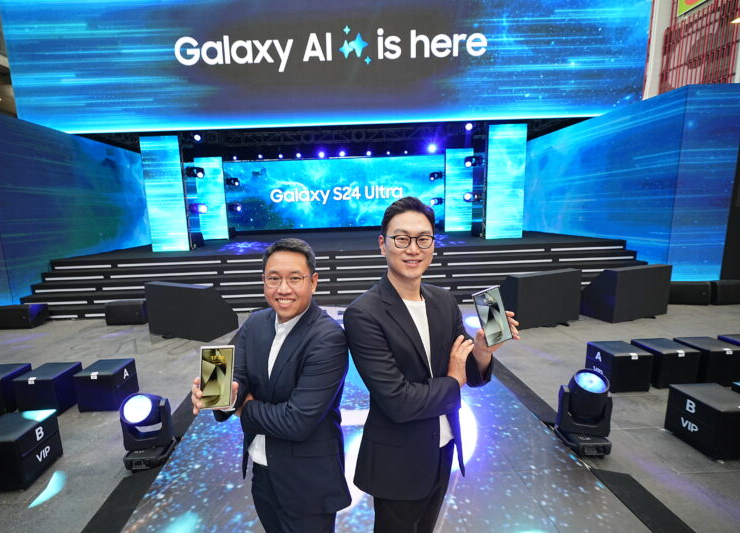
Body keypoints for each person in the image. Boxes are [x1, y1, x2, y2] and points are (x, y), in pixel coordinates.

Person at [343, 197, 520, 533]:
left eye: (423, 239)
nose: (413, 249)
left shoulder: (443, 300)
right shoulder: (364, 313)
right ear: (382, 244)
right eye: (401, 239)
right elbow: (397, 400)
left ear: (433, 245)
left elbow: (468, 372)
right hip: (398, 460)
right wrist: (452, 381)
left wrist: (482, 351)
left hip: (443, 447)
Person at [190, 238, 351, 533]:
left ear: (313, 282)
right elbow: (239, 378)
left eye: (295, 278)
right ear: (264, 281)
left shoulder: (328, 338)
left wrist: (244, 408)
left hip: (308, 483)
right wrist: (221, 395)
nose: (283, 289)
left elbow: (296, 421)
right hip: (263, 471)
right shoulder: (256, 323)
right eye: (274, 279)